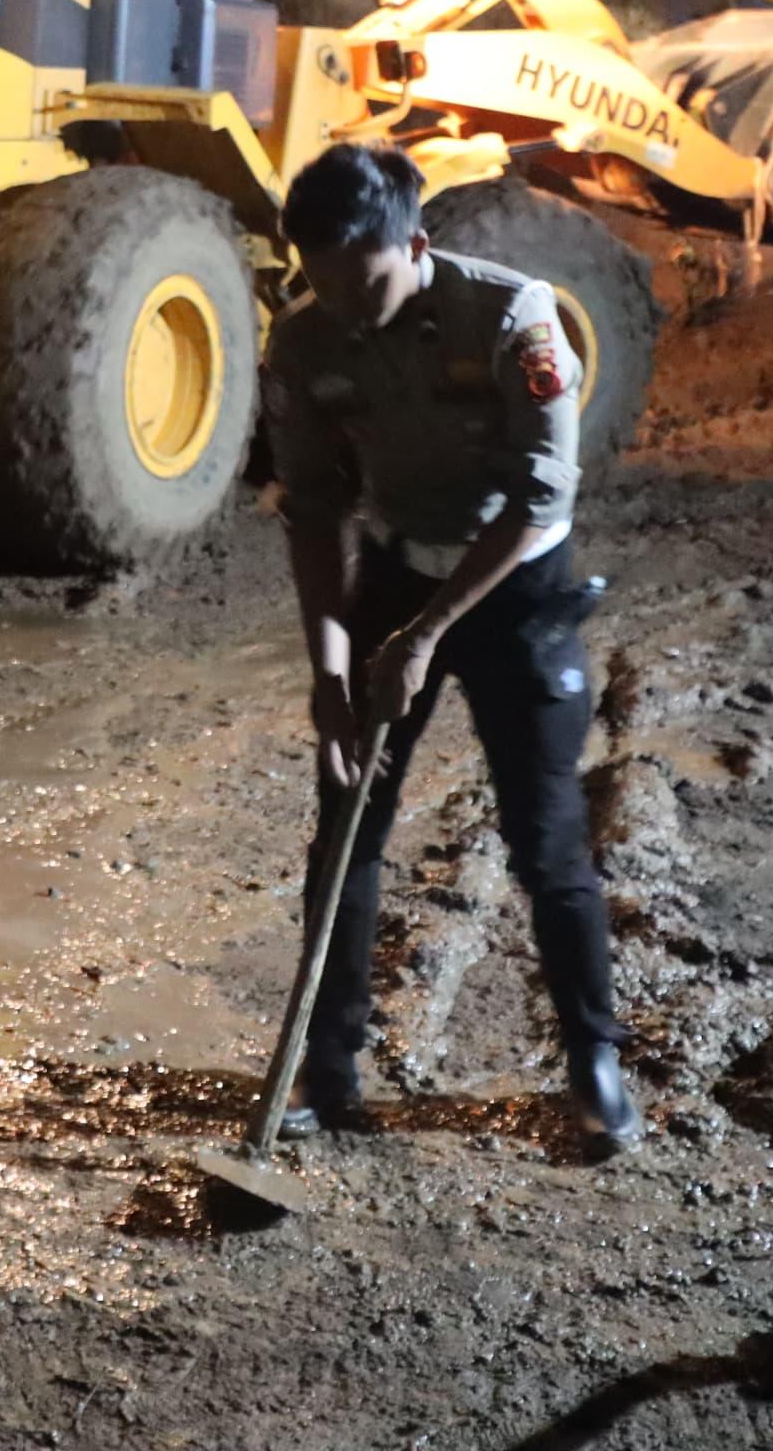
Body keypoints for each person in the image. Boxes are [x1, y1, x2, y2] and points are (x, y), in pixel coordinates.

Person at [259, 142, 641, 1159]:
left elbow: (539, 495)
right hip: (396, 571)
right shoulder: (303, 344)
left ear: (416, 245)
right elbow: (315, 508)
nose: (341, 303)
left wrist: (425, 636)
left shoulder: (515, 315)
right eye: (320, 281)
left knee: (543, 830)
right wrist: (332, 670)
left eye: (363, 279)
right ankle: (323, 1064)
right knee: (347, 818)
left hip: (518, 590)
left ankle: (594, 1060)